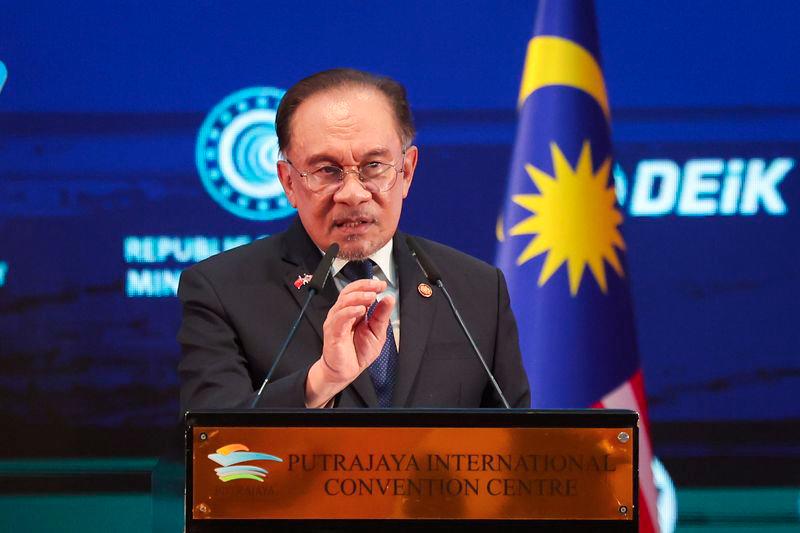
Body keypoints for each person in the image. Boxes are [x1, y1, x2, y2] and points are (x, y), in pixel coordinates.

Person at [178, 68, 530, 411]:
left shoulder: (477, 289)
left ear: (406, 172)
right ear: (288, 182)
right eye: (326, 170)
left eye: (374, 166)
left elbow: (518, 446)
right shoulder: (222, 290)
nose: (352, 193)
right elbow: (211, 447)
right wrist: (321, 381)